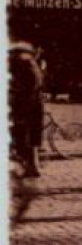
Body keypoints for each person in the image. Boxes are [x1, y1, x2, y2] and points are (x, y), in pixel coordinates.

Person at [9, 43, 45, 179]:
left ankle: (31, 168)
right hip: (33, 105)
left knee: (26, 138)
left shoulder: (25, 64)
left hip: (28, 106)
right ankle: (32, 167)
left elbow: (28, 87)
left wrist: (15, 92)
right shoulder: (32, 64)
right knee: (31, 139)